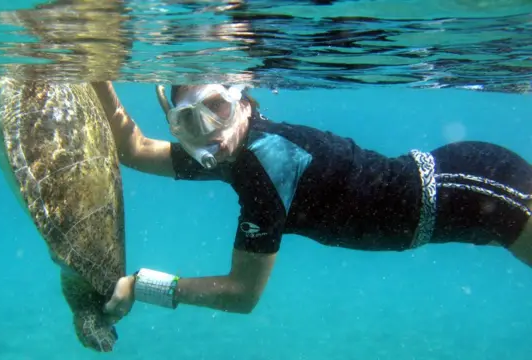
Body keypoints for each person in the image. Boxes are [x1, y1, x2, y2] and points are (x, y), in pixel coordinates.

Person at [90, 81, 532, 326]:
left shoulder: (263, 165)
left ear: (242, 100)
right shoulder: (234, 151)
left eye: (216, 108)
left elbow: (242, 295)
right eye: (187, 120)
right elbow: (136, 150)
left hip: (478, 190)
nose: (208, 131)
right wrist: (99, 79)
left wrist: (141, 284)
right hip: (467, 196)